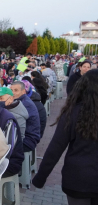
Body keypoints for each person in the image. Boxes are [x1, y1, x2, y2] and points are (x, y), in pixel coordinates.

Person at [32, 69, 98, 205]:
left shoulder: (73, 113)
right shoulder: (73, 113)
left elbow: (55, 148)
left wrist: (40, 177)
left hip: (77, 179)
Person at [11, 81, 40, 152]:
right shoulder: (21, 100)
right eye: (11, 90)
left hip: (28, 139)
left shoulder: (24, 104)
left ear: (23, 91)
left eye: (16, 90)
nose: (13, 93)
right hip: (28, 136)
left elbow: (13, 120)